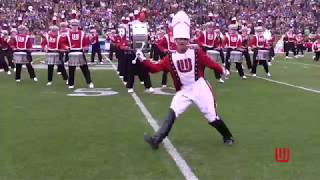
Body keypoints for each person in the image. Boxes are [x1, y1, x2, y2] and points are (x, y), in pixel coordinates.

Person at [138, 11, 234, 150]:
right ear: (174, 41)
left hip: (200, 87)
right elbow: (155, 68)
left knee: (212, 116)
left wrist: (222, 70)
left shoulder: (196, 52)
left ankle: (227, 136)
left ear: (188, 39)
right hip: (184, 91)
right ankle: (156, 140)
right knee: (172, 113)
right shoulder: (169, 58)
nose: (182, 41)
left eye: (184, 39)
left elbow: (209, 63)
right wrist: (142, 59)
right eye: (179, 39)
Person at [66, 19, 94, 89]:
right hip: (72, 52)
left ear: (78, 26)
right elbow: (62, 42)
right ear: (71, 26)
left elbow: (86, 42)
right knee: (71, 69)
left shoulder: (82, 33)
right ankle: (71, 83)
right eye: (73, 25)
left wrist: (85, 47)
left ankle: (89, 82)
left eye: (75, 25)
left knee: (85, 69)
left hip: (80, 52)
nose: (74, 27)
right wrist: (65, 46)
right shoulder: (67, 34)